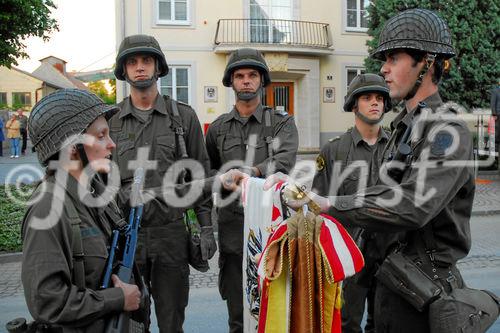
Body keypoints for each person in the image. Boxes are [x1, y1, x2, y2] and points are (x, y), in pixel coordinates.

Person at [265, 8, 474, 332]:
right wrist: (301, 191)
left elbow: (412, 205)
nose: (384, 69)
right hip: (392, 283)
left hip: (425, 294)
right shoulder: (405, 130)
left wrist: (332, 203)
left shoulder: (447, 132)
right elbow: (379, 192)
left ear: (427, 63)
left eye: (394, 59)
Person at [110, 34, 216, 333]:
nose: (140, 67)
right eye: (132, 62)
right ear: (124, 70)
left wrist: (206, 227)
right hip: (127, 236)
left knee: (172, 321)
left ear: (158, 68)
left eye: (146, 61)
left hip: (172, 235)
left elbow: (201, 176)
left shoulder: (182, 116)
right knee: (132, 323)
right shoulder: (111, 121)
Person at [21, 89, 143, 332]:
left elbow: (156, 195)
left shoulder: (96, 191)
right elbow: (48, 302)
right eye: (101, 136)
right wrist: (117, 299)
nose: (111, 143)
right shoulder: (47, 207)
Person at [205, 47, 299, 333]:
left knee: (277, 310)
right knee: (237, 312)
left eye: (252, 75)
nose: (246, 81)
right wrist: (223, 178)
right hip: (233, 230)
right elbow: (209, 169)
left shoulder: (281, 122)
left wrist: (252, 172)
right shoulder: (218, 128)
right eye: (240, 76)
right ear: (231, 82)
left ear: (262, 81)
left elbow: (285, 161)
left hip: (273, 228)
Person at [312, 73, 392, 333]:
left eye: (379, 98)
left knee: (383, 323)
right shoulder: (334, 150)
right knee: (346, 323)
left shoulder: (397, 146)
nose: (374, 103)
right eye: (367, 97)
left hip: (390, 251)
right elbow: (318, 205)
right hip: (349, 250)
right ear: (354, 105)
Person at [491, 83, 499, 159]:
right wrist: (494, 114)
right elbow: (493, 103)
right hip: (498, 114)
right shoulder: (495, 91)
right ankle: (496, 147)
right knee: (497, 130)